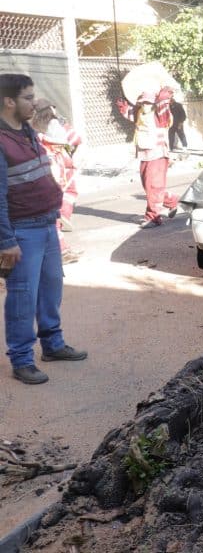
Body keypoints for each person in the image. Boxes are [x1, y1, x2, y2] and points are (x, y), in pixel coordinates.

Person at [0, 74, 88, 385]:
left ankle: (52, 345)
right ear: (9, 101)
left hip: (46, 224)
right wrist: (6, 241)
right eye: (27, 97)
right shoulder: (2, 141)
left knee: (51, 289)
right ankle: (22, 359)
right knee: (23, 297)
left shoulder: (25, 132)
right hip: (21, 232)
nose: (34, 102)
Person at [30, 99, 80, 263]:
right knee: (52, 219)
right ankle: (60, 251)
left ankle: (59, 248)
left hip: (59, 170)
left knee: (55, 217)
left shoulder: (41, 129)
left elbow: (74, 141)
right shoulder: (44, 144)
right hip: (50, 181)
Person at [132, 90, 179, 228]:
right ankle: (172, 201)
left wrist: (164, 91)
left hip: (158, 154)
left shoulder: (160, 115)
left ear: (153, 103)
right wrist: (122, 102)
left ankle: (153, 217)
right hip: (145, 155)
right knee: (148, 186)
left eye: (148, 102)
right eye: (143, 102)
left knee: (154, 186)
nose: (145, 105)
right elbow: (127, 112)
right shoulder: (139, 113)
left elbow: (164, 103)